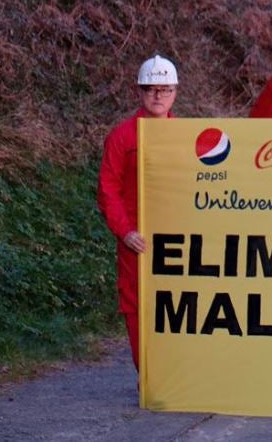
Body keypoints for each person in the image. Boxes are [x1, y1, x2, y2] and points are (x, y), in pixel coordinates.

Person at [97, 54, 178, 369]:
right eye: (151, 89)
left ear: (175, 92)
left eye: (165, 89)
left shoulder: (186, 137)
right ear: (140, 92)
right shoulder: (122, 136)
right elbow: (107, 189)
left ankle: (177, 374)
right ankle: (148, 375)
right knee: (135, 304)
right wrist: (125, 230)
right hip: (137, 239)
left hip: (177, 237)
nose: (158, 96)